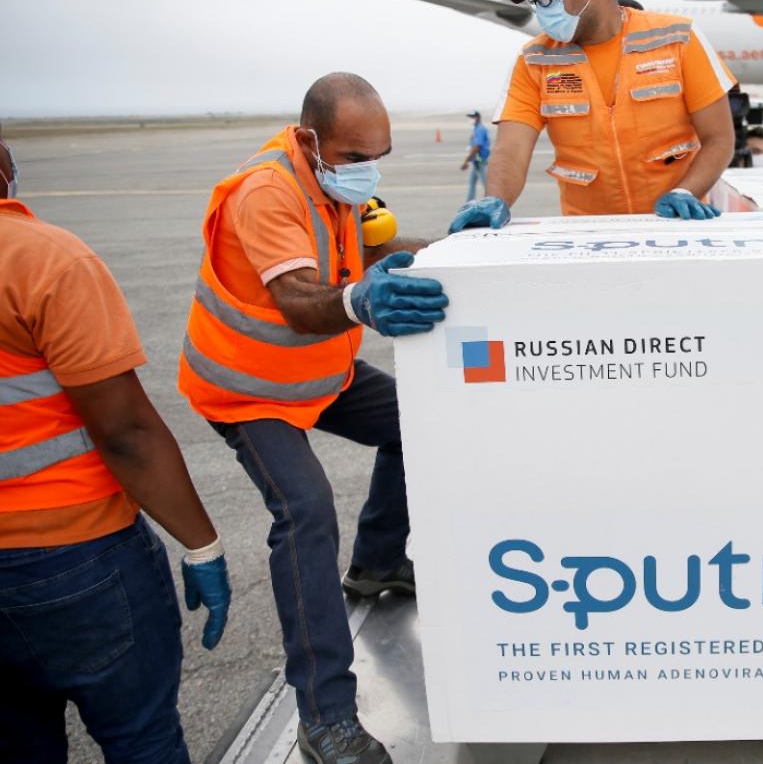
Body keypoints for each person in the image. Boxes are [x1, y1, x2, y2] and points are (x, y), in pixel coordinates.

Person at [176, 73, 449, 764]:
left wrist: (449, 244)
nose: (369, 170)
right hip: (247, 387)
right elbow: (302, 297)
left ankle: (378, 563)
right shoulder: (267, 191)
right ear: (309, 139)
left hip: (315, 371)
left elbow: (361, 254)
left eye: (378, 154)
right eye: (357, 157)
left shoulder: (331, 180)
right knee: (306, 511)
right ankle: (326, 715)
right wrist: (362, 302)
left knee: (419, 417)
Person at [0, 137, 230, 763]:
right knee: (141, 740)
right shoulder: (42, 260)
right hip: (73, 559)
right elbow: (125, 431)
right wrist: (202, 543)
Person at [448, 0, 735, 232]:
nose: (542, 6)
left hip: (676, 227)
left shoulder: (677, 39)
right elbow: (511, 146)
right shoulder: (535, 60)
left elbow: (719, 138)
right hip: (590, 238)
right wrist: (495, 198)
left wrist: (687, 191)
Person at [460, 110, 491, 201]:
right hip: (475, 161)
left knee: (486, 184)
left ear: (478, 118)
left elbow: (477, 147)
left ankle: (491, 201)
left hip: (480, 161)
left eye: (472, 117)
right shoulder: (476, 129)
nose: (470, 119)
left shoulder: (480, 129)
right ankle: (469, 203)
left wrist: (466, 160)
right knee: (472, 183)